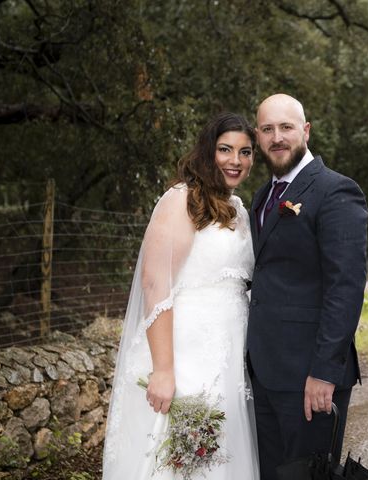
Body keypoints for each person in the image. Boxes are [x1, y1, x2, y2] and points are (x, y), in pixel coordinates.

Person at [103, 112, 260, 480]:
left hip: (228, 362)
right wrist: (163, 370)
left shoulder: (238, 209)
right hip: (183, 356)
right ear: (208, 151)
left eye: (245, 152)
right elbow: (156, 286)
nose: (235, 160)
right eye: (225, 149)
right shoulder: (182, 200)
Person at [247, 93, 368, 479]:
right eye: (268, 129)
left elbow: (345, 288)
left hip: (308, 376)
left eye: (286, 127)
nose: (277, 137)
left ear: (306, 130)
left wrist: (324, 373)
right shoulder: (263, 197)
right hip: (264, 373)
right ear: (258, 136)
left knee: (308, 475)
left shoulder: (336, 191)